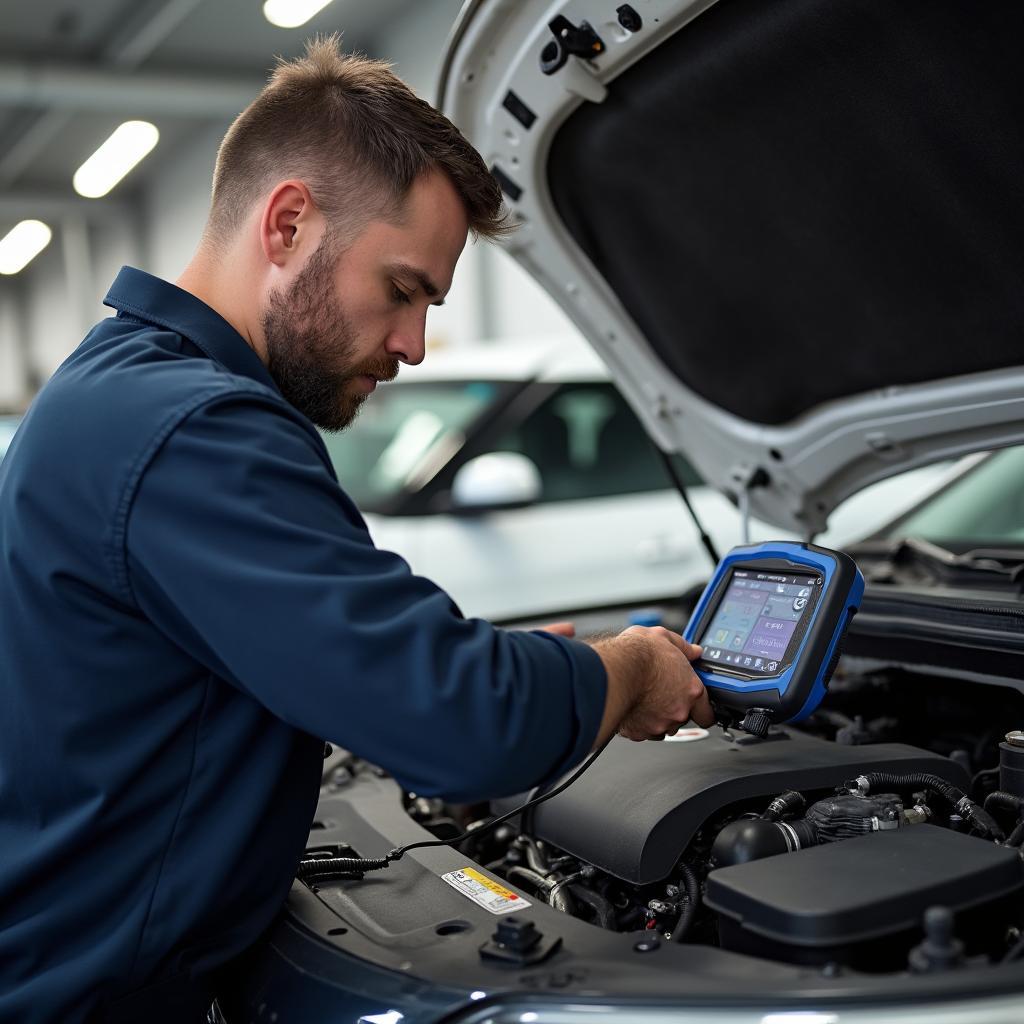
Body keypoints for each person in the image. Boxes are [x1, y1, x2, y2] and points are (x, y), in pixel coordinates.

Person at [0, 37, 712, 1024]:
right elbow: (458, 723)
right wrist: (627, 670)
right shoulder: (191, 431)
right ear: (288, 223)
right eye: (404, 289)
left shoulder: (115, 385)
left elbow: (323, 654)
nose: (414, 345)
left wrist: (503, 665)